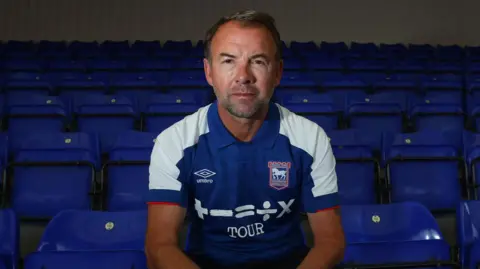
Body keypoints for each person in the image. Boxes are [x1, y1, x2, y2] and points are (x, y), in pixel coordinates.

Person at [145, 10, 345, 269]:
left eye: (258, 61)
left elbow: (331, 241)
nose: (243, 75)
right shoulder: (173, 142)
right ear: (208, 72)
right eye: (228, 61)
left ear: (278, 72)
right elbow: (159, 246)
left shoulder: (310, 138)